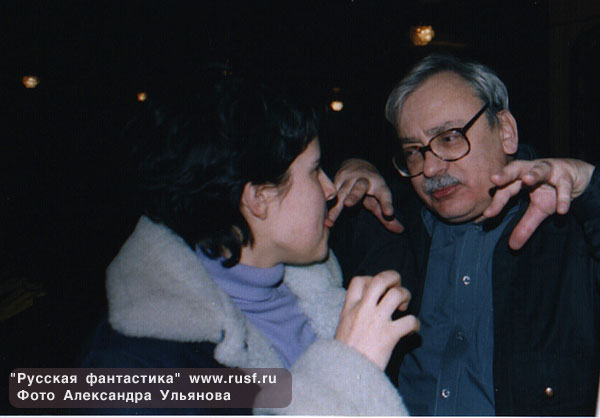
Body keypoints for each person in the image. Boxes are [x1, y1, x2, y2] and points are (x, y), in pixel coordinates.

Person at [80, 76, 418, 415]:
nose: (330, 189)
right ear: (258, 197)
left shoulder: (308, 277)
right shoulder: (136, 369)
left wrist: (365, 172)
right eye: (315, 171)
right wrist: (348, 369)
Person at [330, 53, 600, 416]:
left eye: (449, 138)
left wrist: (592, 186)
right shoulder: (392, 226)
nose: (430, 167)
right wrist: (352, 168)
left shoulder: (570, 228)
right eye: (413, 151)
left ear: (505, 131)